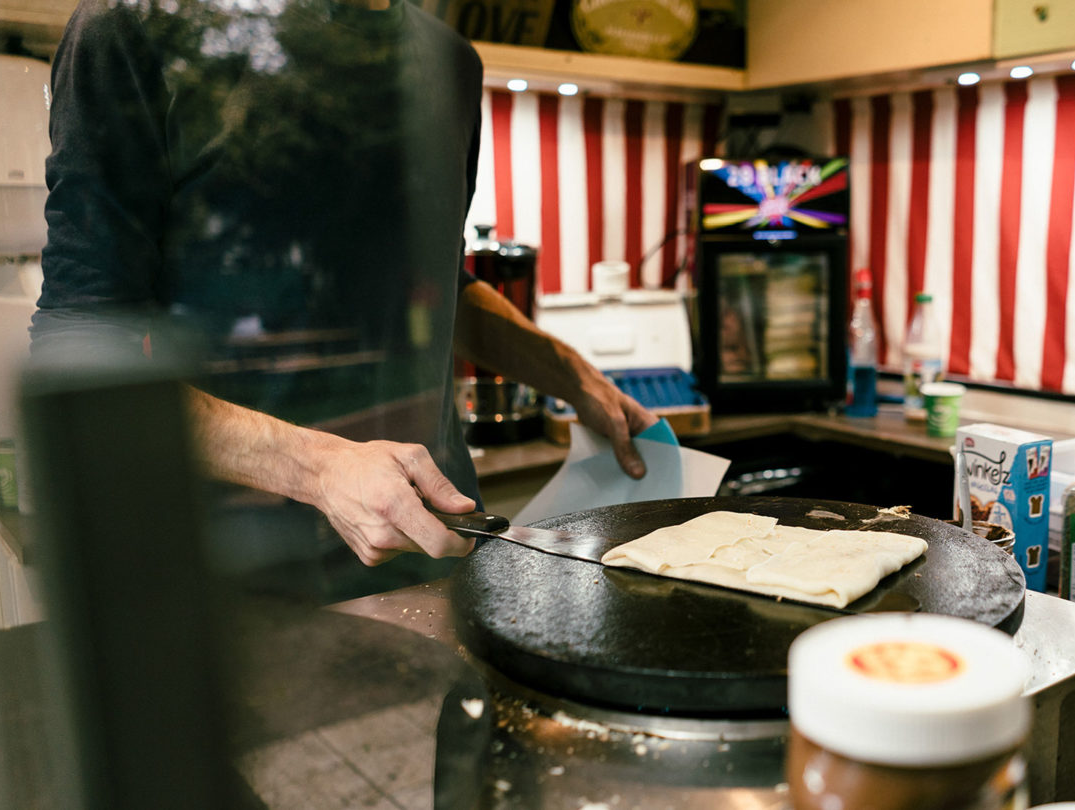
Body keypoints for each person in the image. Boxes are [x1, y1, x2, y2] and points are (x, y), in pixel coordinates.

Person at [33, 0, 655, 600]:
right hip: (242, 593)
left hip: (439, 563)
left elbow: (431, 286)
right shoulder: (137, 25)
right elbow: (77, 353)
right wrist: (322, 468)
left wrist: (574, 377)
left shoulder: (451, 62)